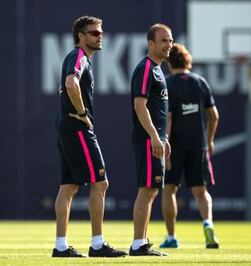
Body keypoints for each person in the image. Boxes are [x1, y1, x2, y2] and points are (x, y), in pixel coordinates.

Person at [53, 16, 127, 258]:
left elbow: (68, 86)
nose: (99, 36)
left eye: (100, 32)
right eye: (94, 33)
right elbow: (71, 83)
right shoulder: (78, 56)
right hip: (77, 126)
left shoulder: (79, 58)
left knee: (69, 186)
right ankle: (97, 244)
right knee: (100, 182)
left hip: (66, 125)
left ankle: (61, 246)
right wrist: (83, 113)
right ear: (81, 37)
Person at [160, 43, 220, 249]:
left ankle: (171, 237)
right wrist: (210, 139)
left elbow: (167, 118)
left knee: (169, 191)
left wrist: (165, 149)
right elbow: (214, 116)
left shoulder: (167, 84)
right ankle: (208, 223)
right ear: (187, 60)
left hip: (174, 145)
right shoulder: (200, 82)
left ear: (169, 62)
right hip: (198, 145)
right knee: (201, 192)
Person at [129, 23, 173, 256]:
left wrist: (163, 138)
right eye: (164, 40)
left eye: (171, 40)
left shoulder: (157, 70)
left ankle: (142, 242)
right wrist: (155, 136)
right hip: (148, 139)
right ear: (151, 44)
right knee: (147, 190)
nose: (169, 45)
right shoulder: (146, 68)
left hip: (155, 139)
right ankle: (138, 244)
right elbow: (140, 105)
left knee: (152, 190)